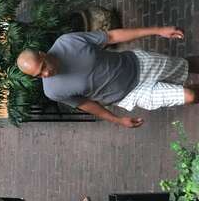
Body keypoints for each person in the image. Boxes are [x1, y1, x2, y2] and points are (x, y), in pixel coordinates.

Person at [16, 27, 198, 128]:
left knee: (186, 66)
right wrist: (117, 120)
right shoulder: (53, 91)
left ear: (42, 54)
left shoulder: (67, 42)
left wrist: (158, 31)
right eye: (38, 75)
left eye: (43, 67)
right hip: (130, 95)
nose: (45, 74)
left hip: (139, 64)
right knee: (189, 96)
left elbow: (111, 36)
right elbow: (88, 105)